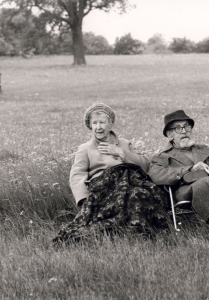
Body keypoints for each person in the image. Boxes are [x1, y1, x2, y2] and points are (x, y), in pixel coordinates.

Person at [53, 103, 168, 243]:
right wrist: (84, 199)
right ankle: (120, 232)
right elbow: (77, 174)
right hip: (104, 188)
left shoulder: (125, 144)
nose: (98, 127)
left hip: (130, 182)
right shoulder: (85, 148)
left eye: (102, 122)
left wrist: (121, 153)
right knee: (128, 196)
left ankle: (140, 234)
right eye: (94, 123)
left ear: (111, 124)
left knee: (139, 193)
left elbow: (145, 165)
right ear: (90, 126)